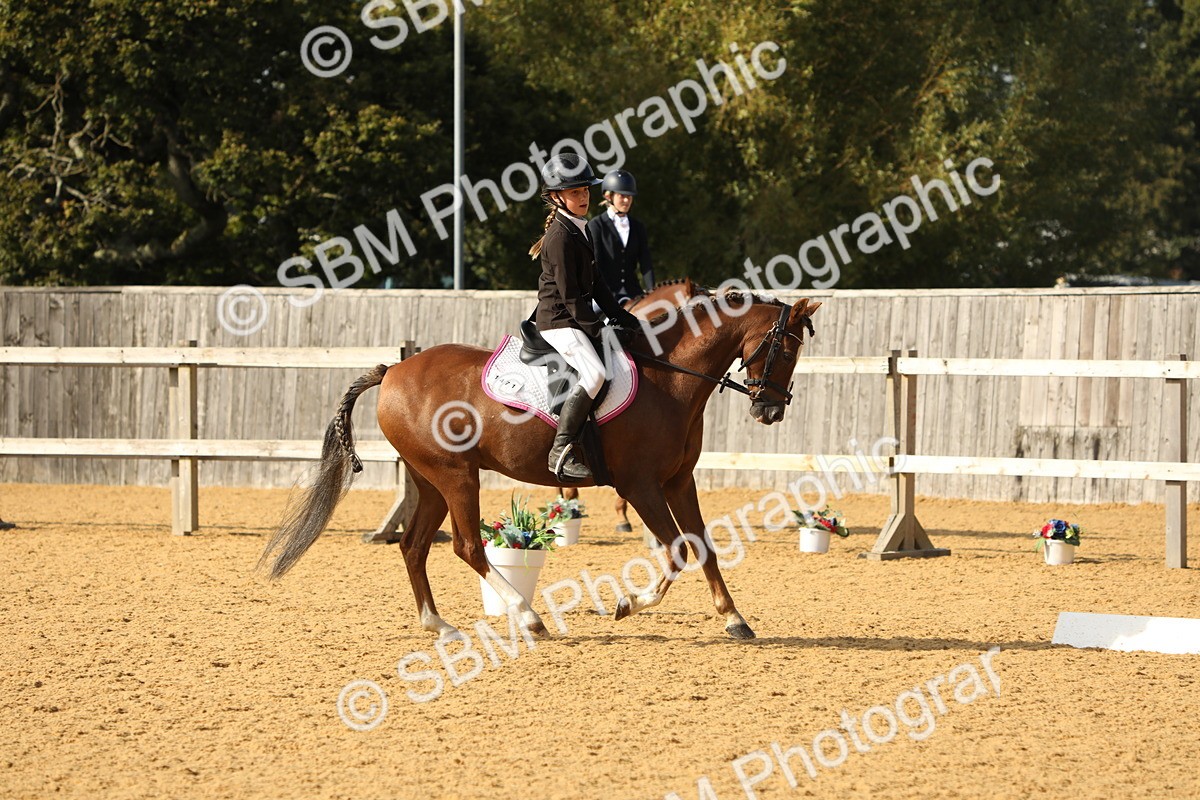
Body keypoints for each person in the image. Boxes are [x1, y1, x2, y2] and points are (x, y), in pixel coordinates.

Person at [530, 153, 641, 483]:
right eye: (575, 192)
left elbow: (598, 284)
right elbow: (571, 297)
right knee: (594, 374)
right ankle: (559, 450)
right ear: (556, 196)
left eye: (585, 191)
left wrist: (623, 317)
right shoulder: (559, 238)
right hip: (558, 321)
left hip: (573, 316)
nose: (583, 197)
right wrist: (600, 331)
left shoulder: (579, 228)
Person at [585, 169, 654, 305]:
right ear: (608, 196)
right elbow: (596, 264)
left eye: (630, 196)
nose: (627, 200)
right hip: (605, 293)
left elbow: (646, 263)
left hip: (634, 292)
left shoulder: (638, 227)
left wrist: (652, 292)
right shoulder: (596, 225)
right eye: (622, 196)